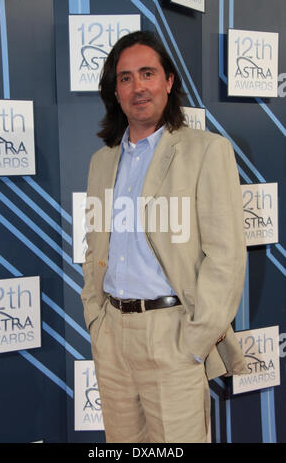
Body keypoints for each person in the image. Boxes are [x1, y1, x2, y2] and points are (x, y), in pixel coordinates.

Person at [81, 30, 248, 443]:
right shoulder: (101, 162)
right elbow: (94, 244)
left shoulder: (207, 151)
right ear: (114, 91)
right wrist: (95, 317)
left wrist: (194, 340)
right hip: (112, 337)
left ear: (169, 81)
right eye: (125, 78)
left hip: (172, 336)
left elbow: (225, 257)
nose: (137, 86)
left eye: (147, 73)